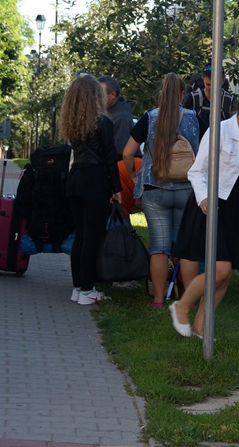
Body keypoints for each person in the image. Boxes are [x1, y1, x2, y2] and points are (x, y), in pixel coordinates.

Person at [169, 82, 239, 338]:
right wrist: (204, 198)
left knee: (226, 277)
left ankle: (201, 327)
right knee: (221, 269)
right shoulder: (220, 131)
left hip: (236, 210)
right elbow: (196, 171)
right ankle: (181, 306)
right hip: (212, 207)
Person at [122, 73, 204, 309]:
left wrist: (135, 176)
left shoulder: (148, 118)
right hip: (188, 189)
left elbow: (128, 153)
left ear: (161, 93)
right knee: (186, 247)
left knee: (159, 246)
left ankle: (158, 300)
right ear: (182, 95)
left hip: (155, 188)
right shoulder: (194, 117)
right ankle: (188, 300)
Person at [59, 72, 122, 305]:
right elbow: (109, 158)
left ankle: (78, 288)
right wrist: (117, 188)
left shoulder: (72, 124)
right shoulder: (102, 122)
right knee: (92, 238)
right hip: (95, 182)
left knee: (80, 236)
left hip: (75, 180)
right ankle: (87, 290)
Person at [98, 75, 142, 214]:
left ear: (113, 94)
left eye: (100, 93)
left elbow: (119, 155)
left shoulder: (121, 118)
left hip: (122, 175)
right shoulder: (106, 114)